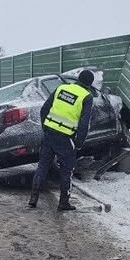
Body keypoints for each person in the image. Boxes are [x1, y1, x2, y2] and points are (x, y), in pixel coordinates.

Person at [28, 69, 96, 211]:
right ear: (90, 84)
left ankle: (33, 198)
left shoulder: (61, 88)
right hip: (65, 138)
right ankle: (63, 202)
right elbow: (84, 123)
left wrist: (46, 127)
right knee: (67, 171)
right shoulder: (87, 97)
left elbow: (44, 109)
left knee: (42, 167)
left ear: (78, 78)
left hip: (49, 134)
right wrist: (79, 143)